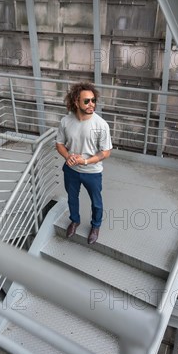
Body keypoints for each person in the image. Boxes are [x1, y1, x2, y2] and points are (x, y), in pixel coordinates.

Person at [56, 82, 112, 245]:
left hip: (92, 172)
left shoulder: (101, 125)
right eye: (86, 101)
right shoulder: (66, 121)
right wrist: (68, 156)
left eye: (93, 100)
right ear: (76, 101)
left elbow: (106, 152)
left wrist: (86, 160)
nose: (91, 104)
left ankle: (95, 226)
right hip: (71, 170)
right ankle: (75, 221)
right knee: (72, 198)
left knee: (96, 202)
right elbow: (59, 144)